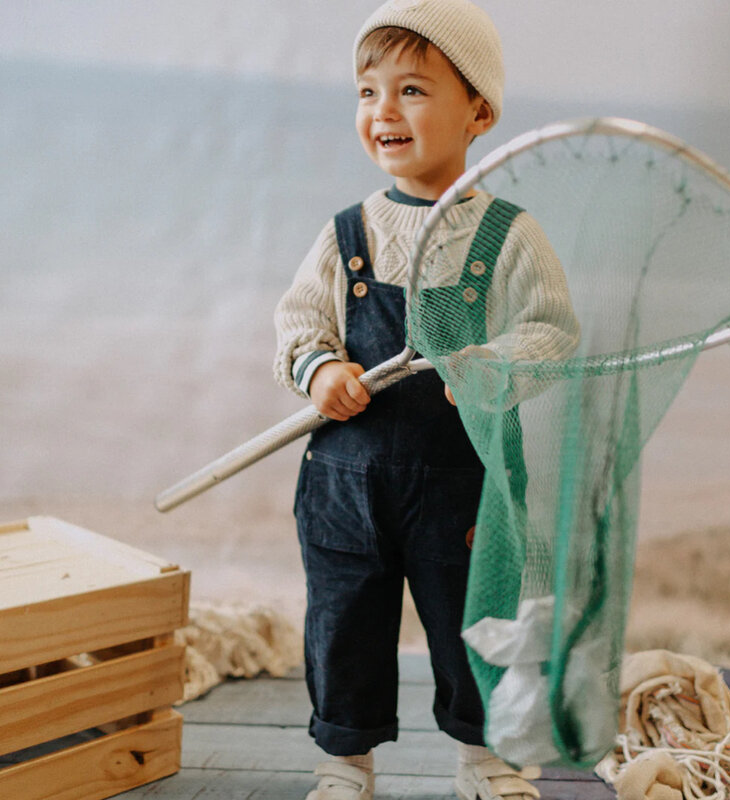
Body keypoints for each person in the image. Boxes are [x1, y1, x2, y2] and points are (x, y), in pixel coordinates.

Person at [273, 1, 580, 798]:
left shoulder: (508, 235)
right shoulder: (347, 234)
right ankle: (344, 766)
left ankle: (485, 761)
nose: (383, 111)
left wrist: (495, 365)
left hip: (465, 488)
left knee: (473, 626)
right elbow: (300, 320)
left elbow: (552, 332)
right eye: (367, 92)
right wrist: (318, 371)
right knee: (343, 628)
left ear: (477, 110)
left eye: (412, 89)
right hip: (346, 484)